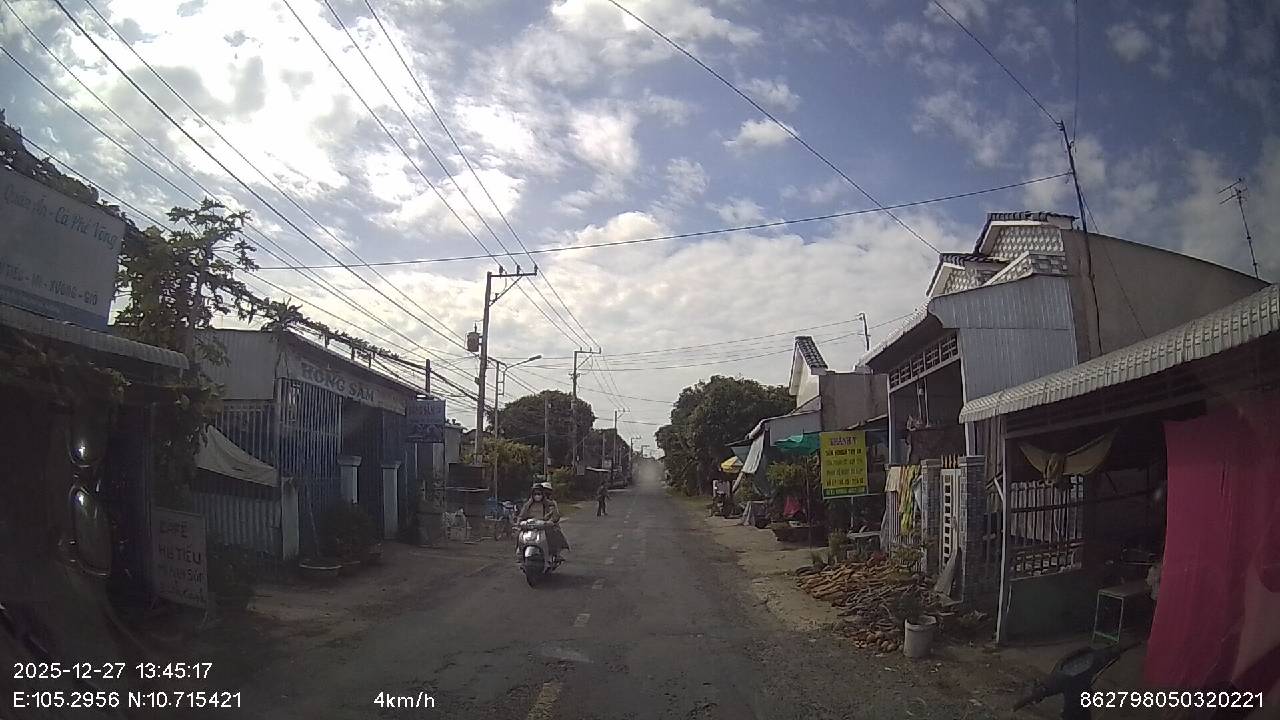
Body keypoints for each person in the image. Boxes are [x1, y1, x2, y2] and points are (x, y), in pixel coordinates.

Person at [519, 482, 568, 559]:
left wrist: (551, 521)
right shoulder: (527, 505)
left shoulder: (549, 504)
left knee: (553, 534)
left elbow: (555, 515)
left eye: (539, 494)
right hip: (530, 528)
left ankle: (554, 553)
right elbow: (521, 516)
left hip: (544, 527)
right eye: (535, 494)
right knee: (520, 536)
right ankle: (520, 554)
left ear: (542, 494)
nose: (537, 496)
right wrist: (520, 522)